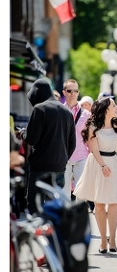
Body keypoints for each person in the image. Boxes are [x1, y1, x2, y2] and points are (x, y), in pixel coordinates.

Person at [74, 97, 117, 254]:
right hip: (98, 164)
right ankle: (103, 241)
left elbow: (113, 146)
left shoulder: (116, 125)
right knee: (99, 204)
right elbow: (94, 149)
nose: (116, 107)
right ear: (105, 109)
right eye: (113, 105)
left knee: (113, 202)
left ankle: (113, 239)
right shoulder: (93, 126)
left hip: (112, 163)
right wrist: (103, 165)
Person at [21, 77, 76, 213]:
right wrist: (62, 159)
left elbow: (31, 139)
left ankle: (38, 234)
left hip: (40, 167)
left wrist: (22, 133)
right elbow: (72, 143)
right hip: (59, 168)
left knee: (35, 206)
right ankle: (51, 234)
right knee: (54, 208)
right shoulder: (67, 112)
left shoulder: (40, 109)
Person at [62, 79, 91, 197]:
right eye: (69, 91)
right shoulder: (59, 111)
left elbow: (90, 136)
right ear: (64, 92)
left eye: (75, 91)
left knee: (81, 193)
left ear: (78, 93)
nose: (72, 94)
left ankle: (79, 215)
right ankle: (65, 215)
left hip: (81, 156)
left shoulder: (86, 113)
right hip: (64, 157)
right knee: (64, 193)